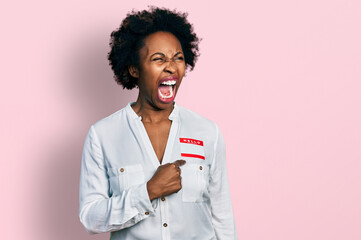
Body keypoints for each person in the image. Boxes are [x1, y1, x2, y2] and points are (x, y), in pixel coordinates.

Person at [79, 7, 238, 240]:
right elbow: (90, 218)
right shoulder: (102, 135)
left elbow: (222, 218)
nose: (171, 67)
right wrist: (148, 191)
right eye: (158, 59)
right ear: (134, 69)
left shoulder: (207, 132)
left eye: (178, 58)